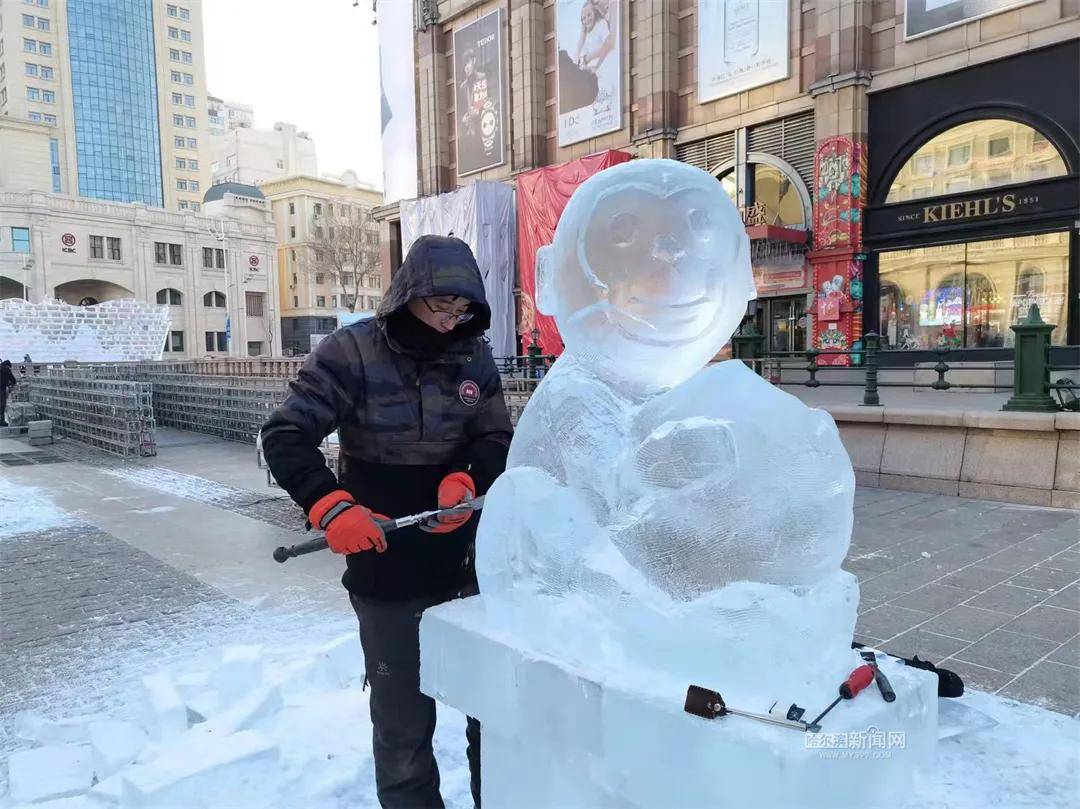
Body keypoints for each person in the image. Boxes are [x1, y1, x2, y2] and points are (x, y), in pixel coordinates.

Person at [261, 235, 513, 809]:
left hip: (470, 567)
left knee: (492, 716)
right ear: (408, 297)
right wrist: (330, 505)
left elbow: (496, 434)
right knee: (402, 730)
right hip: (386, 571)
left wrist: (470, 477)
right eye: (440, 308)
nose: (452, 322)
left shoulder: (473, 353)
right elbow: (285, 435)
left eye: (463, 310)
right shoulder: (350, 353)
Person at [0, 359, 16, 427]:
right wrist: (9, 384)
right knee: (2, 406)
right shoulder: (7, 370)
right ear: (7, 366)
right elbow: (13, 380)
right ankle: (1, 421)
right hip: (2, 390)